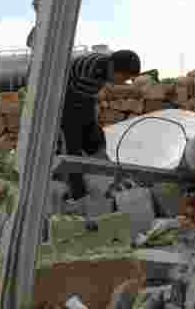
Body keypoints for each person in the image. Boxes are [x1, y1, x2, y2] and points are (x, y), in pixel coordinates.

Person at [61, 49, 142, 202]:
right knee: (73, 150)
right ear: (114, 68)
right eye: (125, 77)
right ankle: (79, 196)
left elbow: (90, 100)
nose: (124, 82)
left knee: (97, 142)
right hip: (66, 101)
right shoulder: (93, 70)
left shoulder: (106, 68)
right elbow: (77, 99)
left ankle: (111, 182)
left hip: (84, 100)